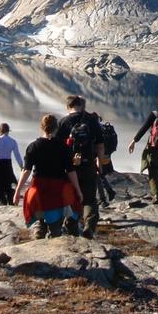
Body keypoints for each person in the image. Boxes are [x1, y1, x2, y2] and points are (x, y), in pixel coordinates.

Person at [14, 114, 83, 239]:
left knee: (40, 216)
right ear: (56, 128)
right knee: (55, 226)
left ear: (42, 127)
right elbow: (71, 171)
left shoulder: (33, 146)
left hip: (39, 189)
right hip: (58, 189)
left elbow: (26, 171)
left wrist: (18, 191)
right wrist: (78, 190)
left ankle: (40, 230)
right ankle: (55, 236)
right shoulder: (63, 147)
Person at [55, 95, 106, 238]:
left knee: (71, 198)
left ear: (68, 107)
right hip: (88, 164)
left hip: (70, 168)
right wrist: (100, 164)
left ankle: (72, 226)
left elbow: (57, 147)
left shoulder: (63, 122)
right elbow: (100, 146)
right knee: (90, 199)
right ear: (81, 105)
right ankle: (89, 227)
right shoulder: (92, 121)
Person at [0, 122, 23, 206]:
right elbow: (17, 155)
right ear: (8, 131)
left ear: (0, 131)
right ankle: (11, 202)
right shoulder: (13, 141)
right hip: (7, 164)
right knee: (8, 184)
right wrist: (21, 166)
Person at [90, 112, 117, 208]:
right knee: (99, 176)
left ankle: (103, 199)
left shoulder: (94, 129)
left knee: (97, 176)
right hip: (105, 156)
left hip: (97, 156)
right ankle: (109, 192)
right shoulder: (104, 128)